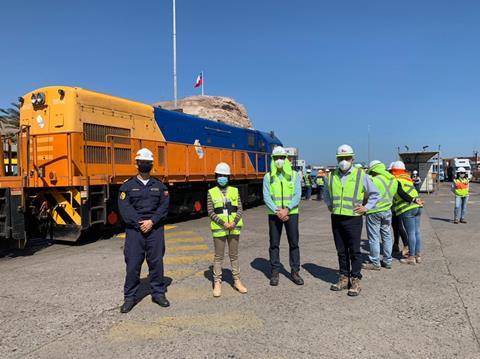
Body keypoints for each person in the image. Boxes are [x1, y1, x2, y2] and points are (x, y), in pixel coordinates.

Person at [118, 148, 170, 313]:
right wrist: (140, 223)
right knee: (133, 264)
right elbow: (125, 208)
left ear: (152, 164)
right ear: (136, 164)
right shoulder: (127, 187)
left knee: (156, 262)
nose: (144, 165)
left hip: (155, 229)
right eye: (142, 163)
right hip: (135, 230)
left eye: (147, 163)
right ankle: (129, 298)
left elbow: (164, 207)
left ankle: (158, 294)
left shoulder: (160, 187)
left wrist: (152, 221)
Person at [324, 144, 380, 296]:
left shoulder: (361, 175)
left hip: (353, 218)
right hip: (336, 217)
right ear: (337, 159)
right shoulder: (330, 176)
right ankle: (344, 277)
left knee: (354, 251)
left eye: (347, 158)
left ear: (352, 159)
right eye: (341, 158)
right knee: (341, 250)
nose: (344, 161)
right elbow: (326, 193)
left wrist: (366, 207)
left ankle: (355, 279)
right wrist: (329, 204)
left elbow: (375, 194)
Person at [263, 146, 304, 286]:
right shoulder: (268, 177)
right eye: (276, 158)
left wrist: (287, 209)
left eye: (281, 158)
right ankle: (275, 271)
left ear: (286, 159)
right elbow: (266, 196)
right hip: (274, 215)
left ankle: (295, 271)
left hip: (291, 214)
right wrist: (277, 210)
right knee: (274, 244)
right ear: (272, 160)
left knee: (294, 243)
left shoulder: (294, 175)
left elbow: (297, 195)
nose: (279, 160)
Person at [207, 162, 247, 297]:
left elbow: (240, 208)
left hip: (234, 228)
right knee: (218, 257)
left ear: (228, 177)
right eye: (220, 175)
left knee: (234, 256)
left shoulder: (235, 191)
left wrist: (234, 222)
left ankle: (237, 281)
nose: (222, 178)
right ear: (216, 176)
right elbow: (210, 211)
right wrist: (223, 223)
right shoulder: (211, 192)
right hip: (219, 228)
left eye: (224, 175)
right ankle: (217, 282)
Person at [363, 161, 398, 270]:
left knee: (374, 237)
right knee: (387, 236)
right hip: (387, 211)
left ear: (373, 170)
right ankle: (388, 261)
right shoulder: (393, 181)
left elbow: (365, 195)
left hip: (374, 211)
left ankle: (375, 262)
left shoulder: (373, 180)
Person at [391, 161, 424, 265]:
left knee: (410, 233)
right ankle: (417, 255)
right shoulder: (408, 179)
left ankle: (411, 257)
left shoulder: (395, 180)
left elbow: (401, 193)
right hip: (418, 207)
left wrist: (412, 200)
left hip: (408, 208)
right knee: (417, 232)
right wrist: (415, 200)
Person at [389, 162, 409, 257]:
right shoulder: (405, 178)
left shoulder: (397, 180)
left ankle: (406, 246)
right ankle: (396, 244)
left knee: (400, 227)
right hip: (394, 207)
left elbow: (401, 193)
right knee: (395, 227)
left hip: (400, 206)